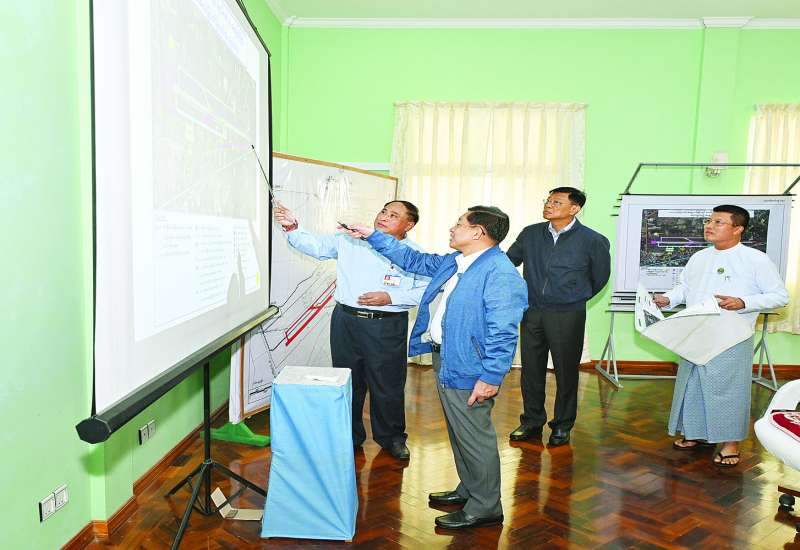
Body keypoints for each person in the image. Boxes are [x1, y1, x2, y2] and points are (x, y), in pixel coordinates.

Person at [343, 206, 528, 529]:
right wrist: (372, 235)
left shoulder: (500, 273)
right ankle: (469, 488)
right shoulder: (457, 262)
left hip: (471, 366)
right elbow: (412, 260)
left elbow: (504, 332)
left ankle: (486, 506)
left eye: (459, 223)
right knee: (460, 432)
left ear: (478, 232)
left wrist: (490, 376)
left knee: (475, 436)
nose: (452, 228)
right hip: (448, 357)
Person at [273, 200, 428, 460]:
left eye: (393, 215)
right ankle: (350, 436)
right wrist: (292, 227)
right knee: (347, 380)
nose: (384, 217)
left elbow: (425, 290)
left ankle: (392, 438)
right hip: (345, 321)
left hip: (386, 325)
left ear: (408, 225)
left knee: (387, 384)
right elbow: (316, 246)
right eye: (383, 211)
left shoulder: (414, 254)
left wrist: (390, 297)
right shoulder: (351, 240)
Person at [654, 205, 788, 467]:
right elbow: (685, 288)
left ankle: (730, 444)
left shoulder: (755, 259)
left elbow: (780, 296)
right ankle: (694, 433)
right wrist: (667, 299)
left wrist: (743, 302)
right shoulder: (699, 257)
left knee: (727, 391)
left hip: (731, 334)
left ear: (738, 229)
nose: (709, 226)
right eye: (709, 221)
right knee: (692, 384)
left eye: (718, 222)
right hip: (695, 331)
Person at [506, 187, 610, 446]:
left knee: (566, 372)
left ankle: (562, 425)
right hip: (532, 312)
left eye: (556, 202)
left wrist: (573, 296)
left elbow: (600, 278)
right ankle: (531, 421)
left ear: (574, 209)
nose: (549, 205)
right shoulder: (531, 234)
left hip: (567, 313)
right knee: (531, 369)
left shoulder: (592, 240)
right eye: (548, 200)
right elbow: (507, 263)